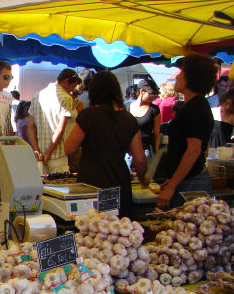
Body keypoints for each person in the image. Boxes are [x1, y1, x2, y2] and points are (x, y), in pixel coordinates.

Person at [64, 71, 148, 218]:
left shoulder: (88, 115)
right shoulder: (129, 119)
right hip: (118, 181)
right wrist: (142, 179)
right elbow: (140, 160)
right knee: (118, 227)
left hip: (91, 183)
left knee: (92, 227)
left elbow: (69, 148)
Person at [157, 53, 217, 209]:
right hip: (187, 180)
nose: (177, 76)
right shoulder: (193, 105)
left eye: (182, 73)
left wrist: (172, 186)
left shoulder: (196, 107)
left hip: (192, 182)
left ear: (191, 77)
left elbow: (194, 150)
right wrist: (173, 180)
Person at [27, 68, 80, 174]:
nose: (72, 90)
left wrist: (37, 151)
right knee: (61, 184)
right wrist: (48, 153)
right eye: (73, 86)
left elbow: (31, 126)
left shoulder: (37, 96)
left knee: (42, 184)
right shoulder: (66, 98)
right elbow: (60, 129)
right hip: (58, 156)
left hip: (40, 158)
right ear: (66, 81)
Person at [129, 79, 161, 156]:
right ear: (142, 91)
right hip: (129, 150)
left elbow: (157, 133)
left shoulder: (154, 110)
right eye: (151, 94)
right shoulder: (128, 106)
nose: (153, 96)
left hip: (145, 149)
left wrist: (157, 151)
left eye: (155, 94)